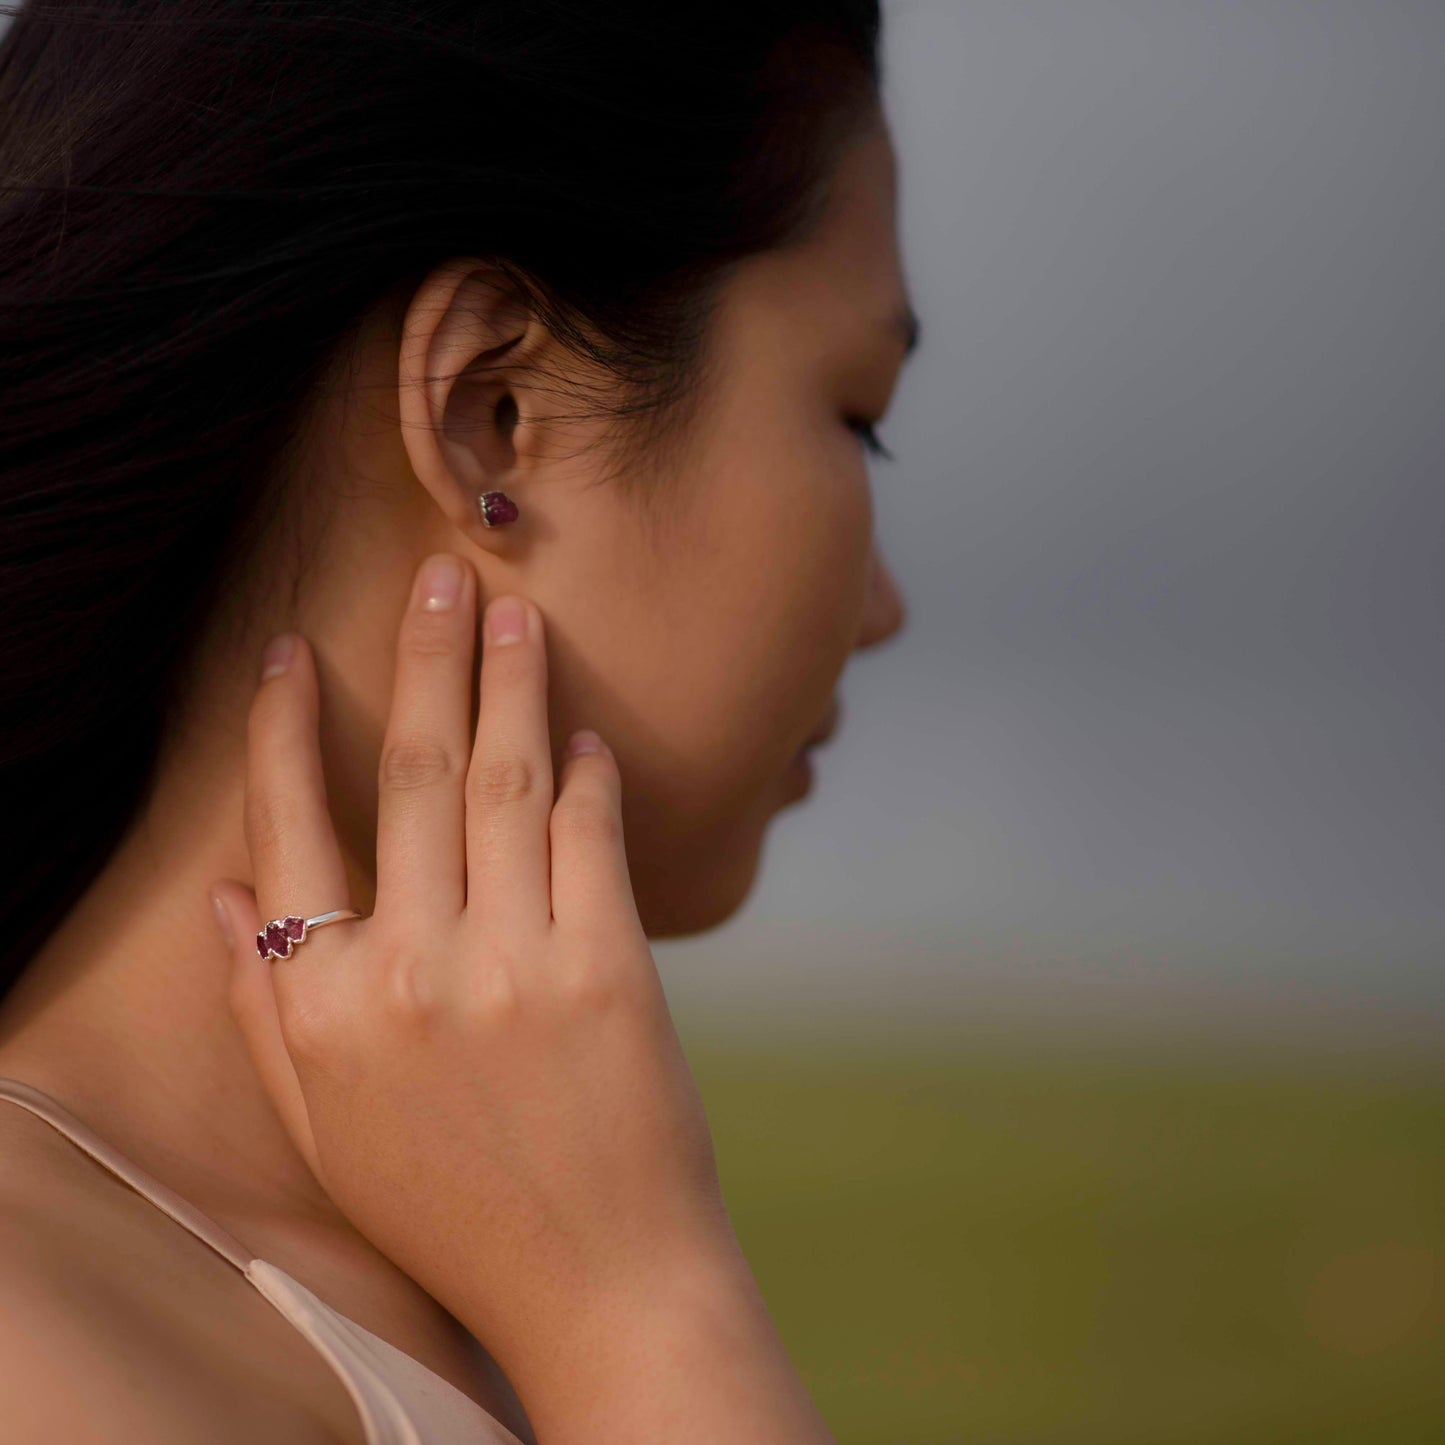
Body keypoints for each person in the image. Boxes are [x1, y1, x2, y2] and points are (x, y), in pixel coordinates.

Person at [0, 1, 914, 1440]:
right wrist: (641, 1313)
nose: (881, 603)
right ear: (492, 409)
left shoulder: (469, 1252)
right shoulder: (48, 1365)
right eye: (856, 411)